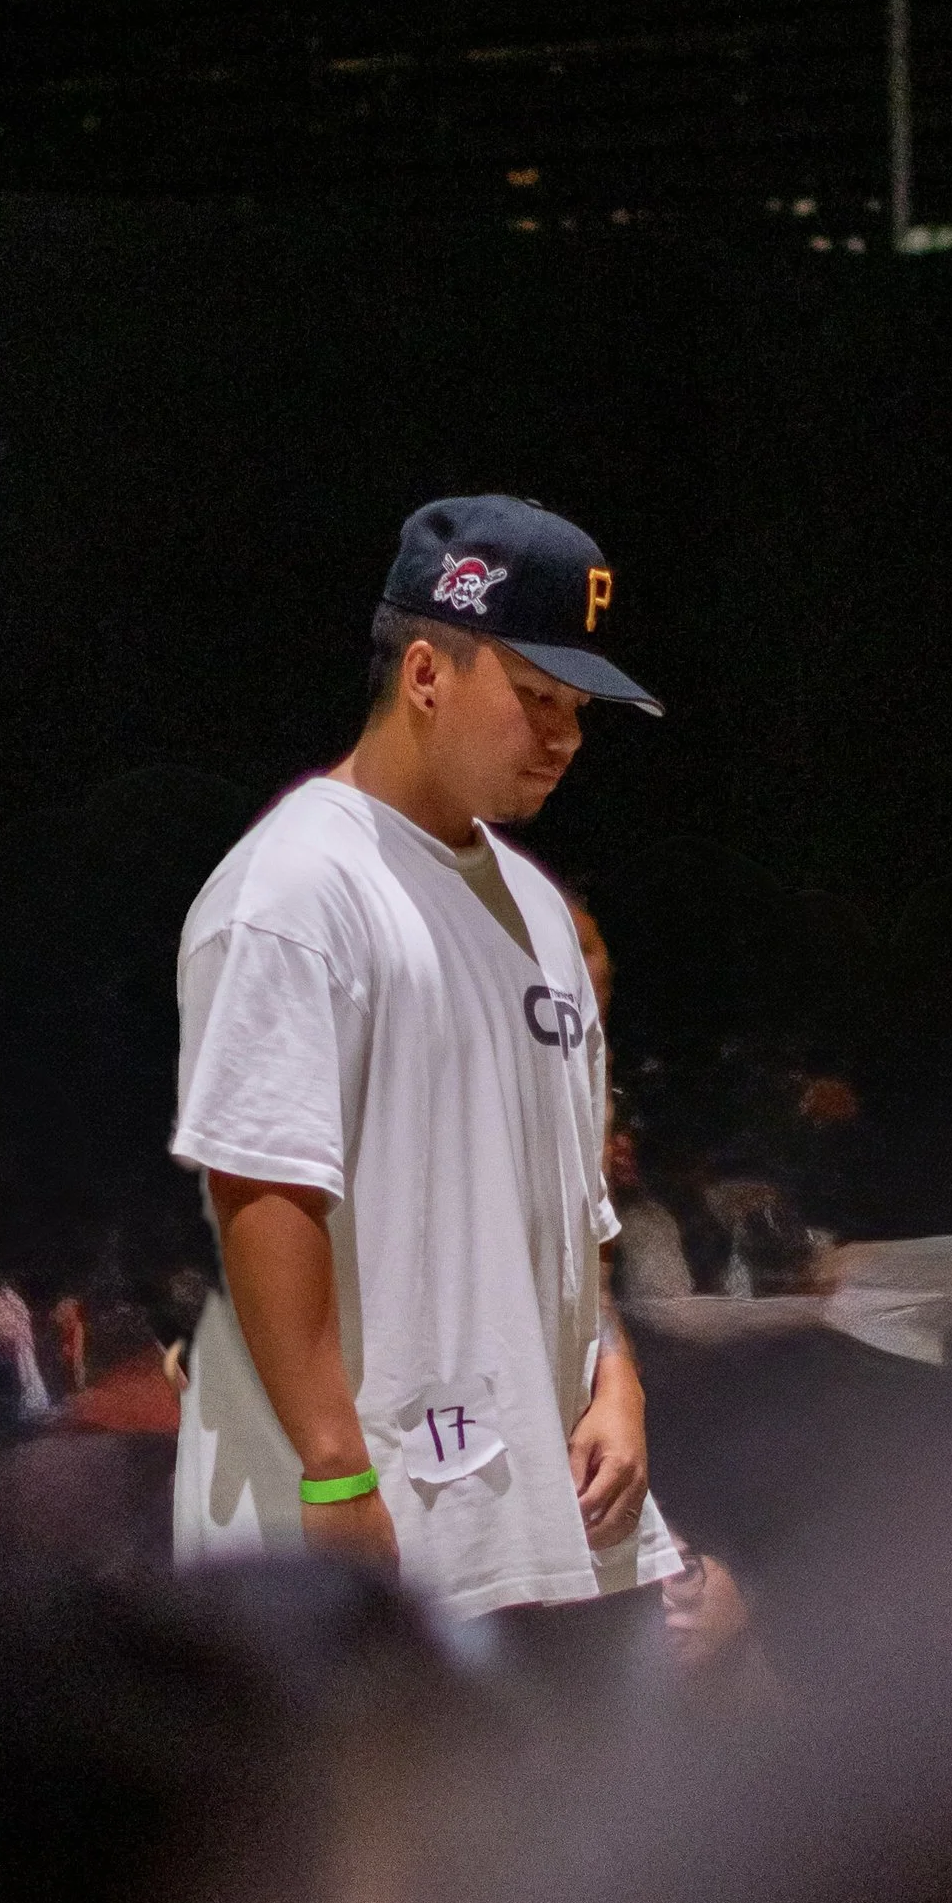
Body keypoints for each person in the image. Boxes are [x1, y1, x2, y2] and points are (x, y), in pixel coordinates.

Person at [169, 494, 684, 1636]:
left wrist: (616, 1376)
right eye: (537, 696)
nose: (566, 735)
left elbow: (569, 1209)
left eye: (579, 708)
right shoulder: (297, 887)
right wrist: (334, 1469)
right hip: (367, 1532)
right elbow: (264, 1188)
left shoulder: (539, 909)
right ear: (423, 673)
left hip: (543, 1523)